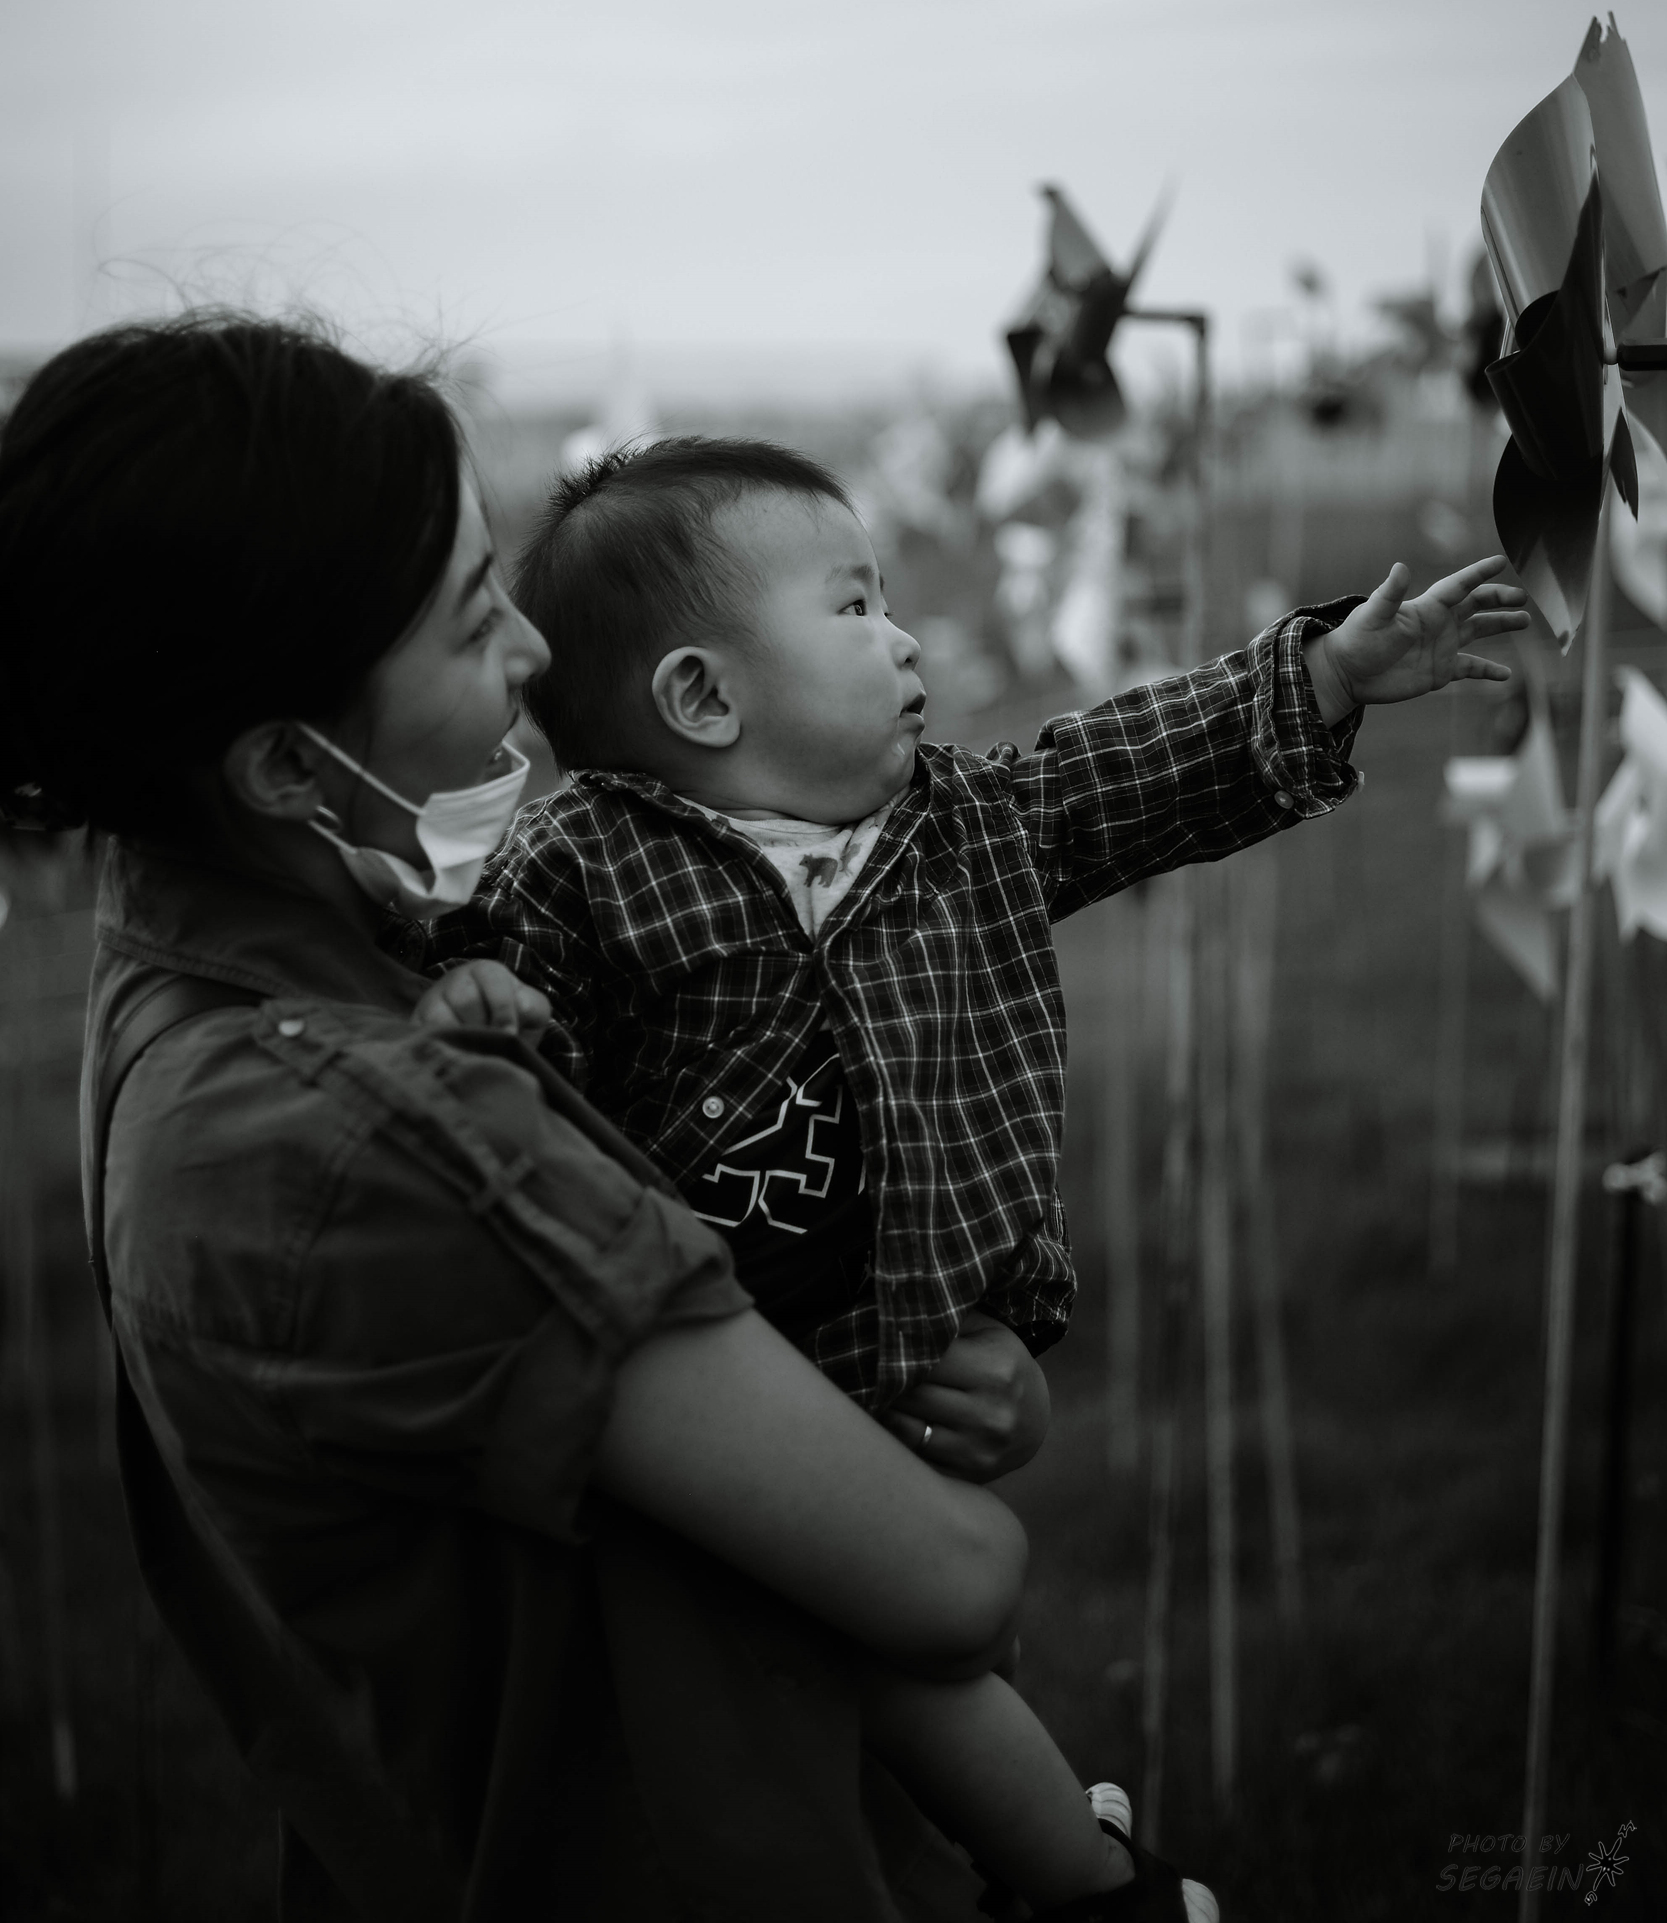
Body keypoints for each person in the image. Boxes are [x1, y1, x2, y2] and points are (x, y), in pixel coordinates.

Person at [0, 313, 1203, 1923]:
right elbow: (948, 1579)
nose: (530, 651)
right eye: (468, 617)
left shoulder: (190, 954)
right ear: (286, 764)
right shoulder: (379, 1137)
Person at [437, 437, 1527, 1439]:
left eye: (886, 600)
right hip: (680, 1385)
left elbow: (1119, 775)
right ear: (702, 697)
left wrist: (1326, 676)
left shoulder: (957, 828)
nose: (903, 636)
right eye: (853, 608)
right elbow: (484, 1068)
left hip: (921, 1375)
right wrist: (464, 995)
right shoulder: (574, 865)